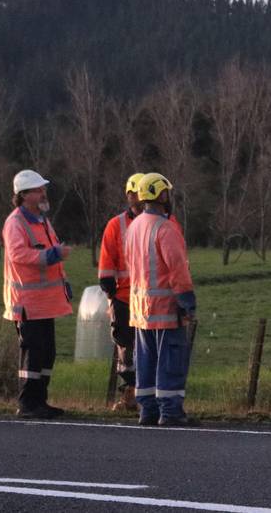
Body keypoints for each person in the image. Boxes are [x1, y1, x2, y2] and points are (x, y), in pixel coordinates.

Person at [124, 172, 197, 427]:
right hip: (166, 308)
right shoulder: (165, 228)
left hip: (140, 310)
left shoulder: (133, 226)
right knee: (170, 359)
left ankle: (148, 410)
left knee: (145, 360)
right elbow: (178, 269)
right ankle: (171, 411)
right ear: (162, 195)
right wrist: (187, 302)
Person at [2, 169, 72, 419]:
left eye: (43, 189)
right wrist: (52, 256)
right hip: (28, 304)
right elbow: (19, 255)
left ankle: (39, 401)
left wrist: (63, 280)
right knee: (33, 354)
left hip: (45, 303)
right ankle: (27, 403)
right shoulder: (15, 223)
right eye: (38, 190)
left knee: (46, 353)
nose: (43, 193)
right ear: (23, 195)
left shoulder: (41, 220)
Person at [98, 172, 146, 411]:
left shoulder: (163, 221)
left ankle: (143, 395)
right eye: (137, 195)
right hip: (124, 297)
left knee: (146, 348)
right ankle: (130, 393)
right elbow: (107, 262)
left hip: (150, 299)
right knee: (125, 348)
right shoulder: (116, 225)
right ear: (129, 196)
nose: (141, 200)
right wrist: (110, 294)